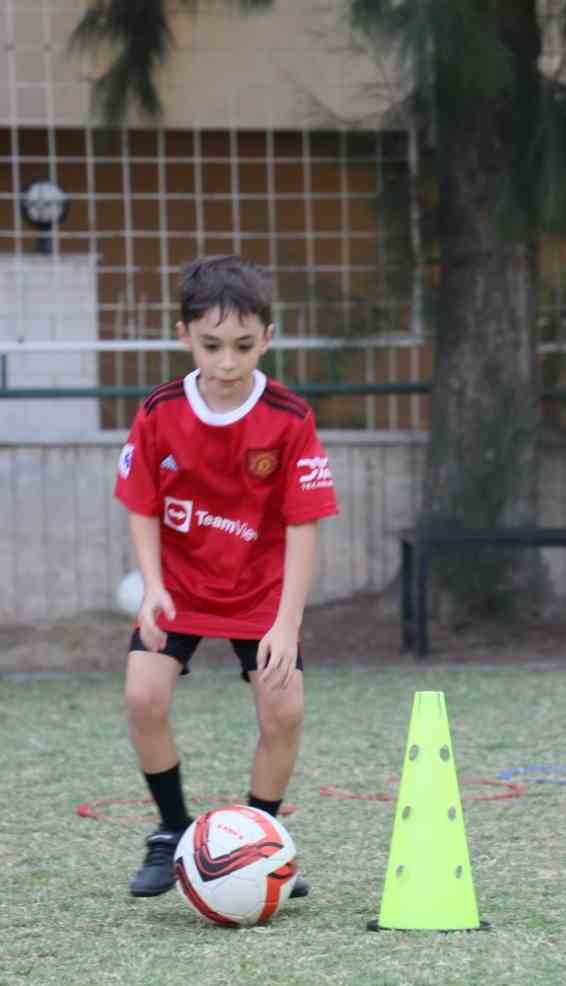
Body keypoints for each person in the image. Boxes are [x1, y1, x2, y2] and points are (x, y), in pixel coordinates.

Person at [112, 254, 339, 898]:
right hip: (180, 585)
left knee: (283, 710)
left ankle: (261, 842)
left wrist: (285, 624)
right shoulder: (159, 412)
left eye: (243, 345)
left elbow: (303, 523)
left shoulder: (289, 419)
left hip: (260, 591)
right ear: (183, 336)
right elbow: (141, 501)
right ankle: (171, 832)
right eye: (211, 345)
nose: (228, 362)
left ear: (267, 337)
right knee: (141, 696)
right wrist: (153, 585)